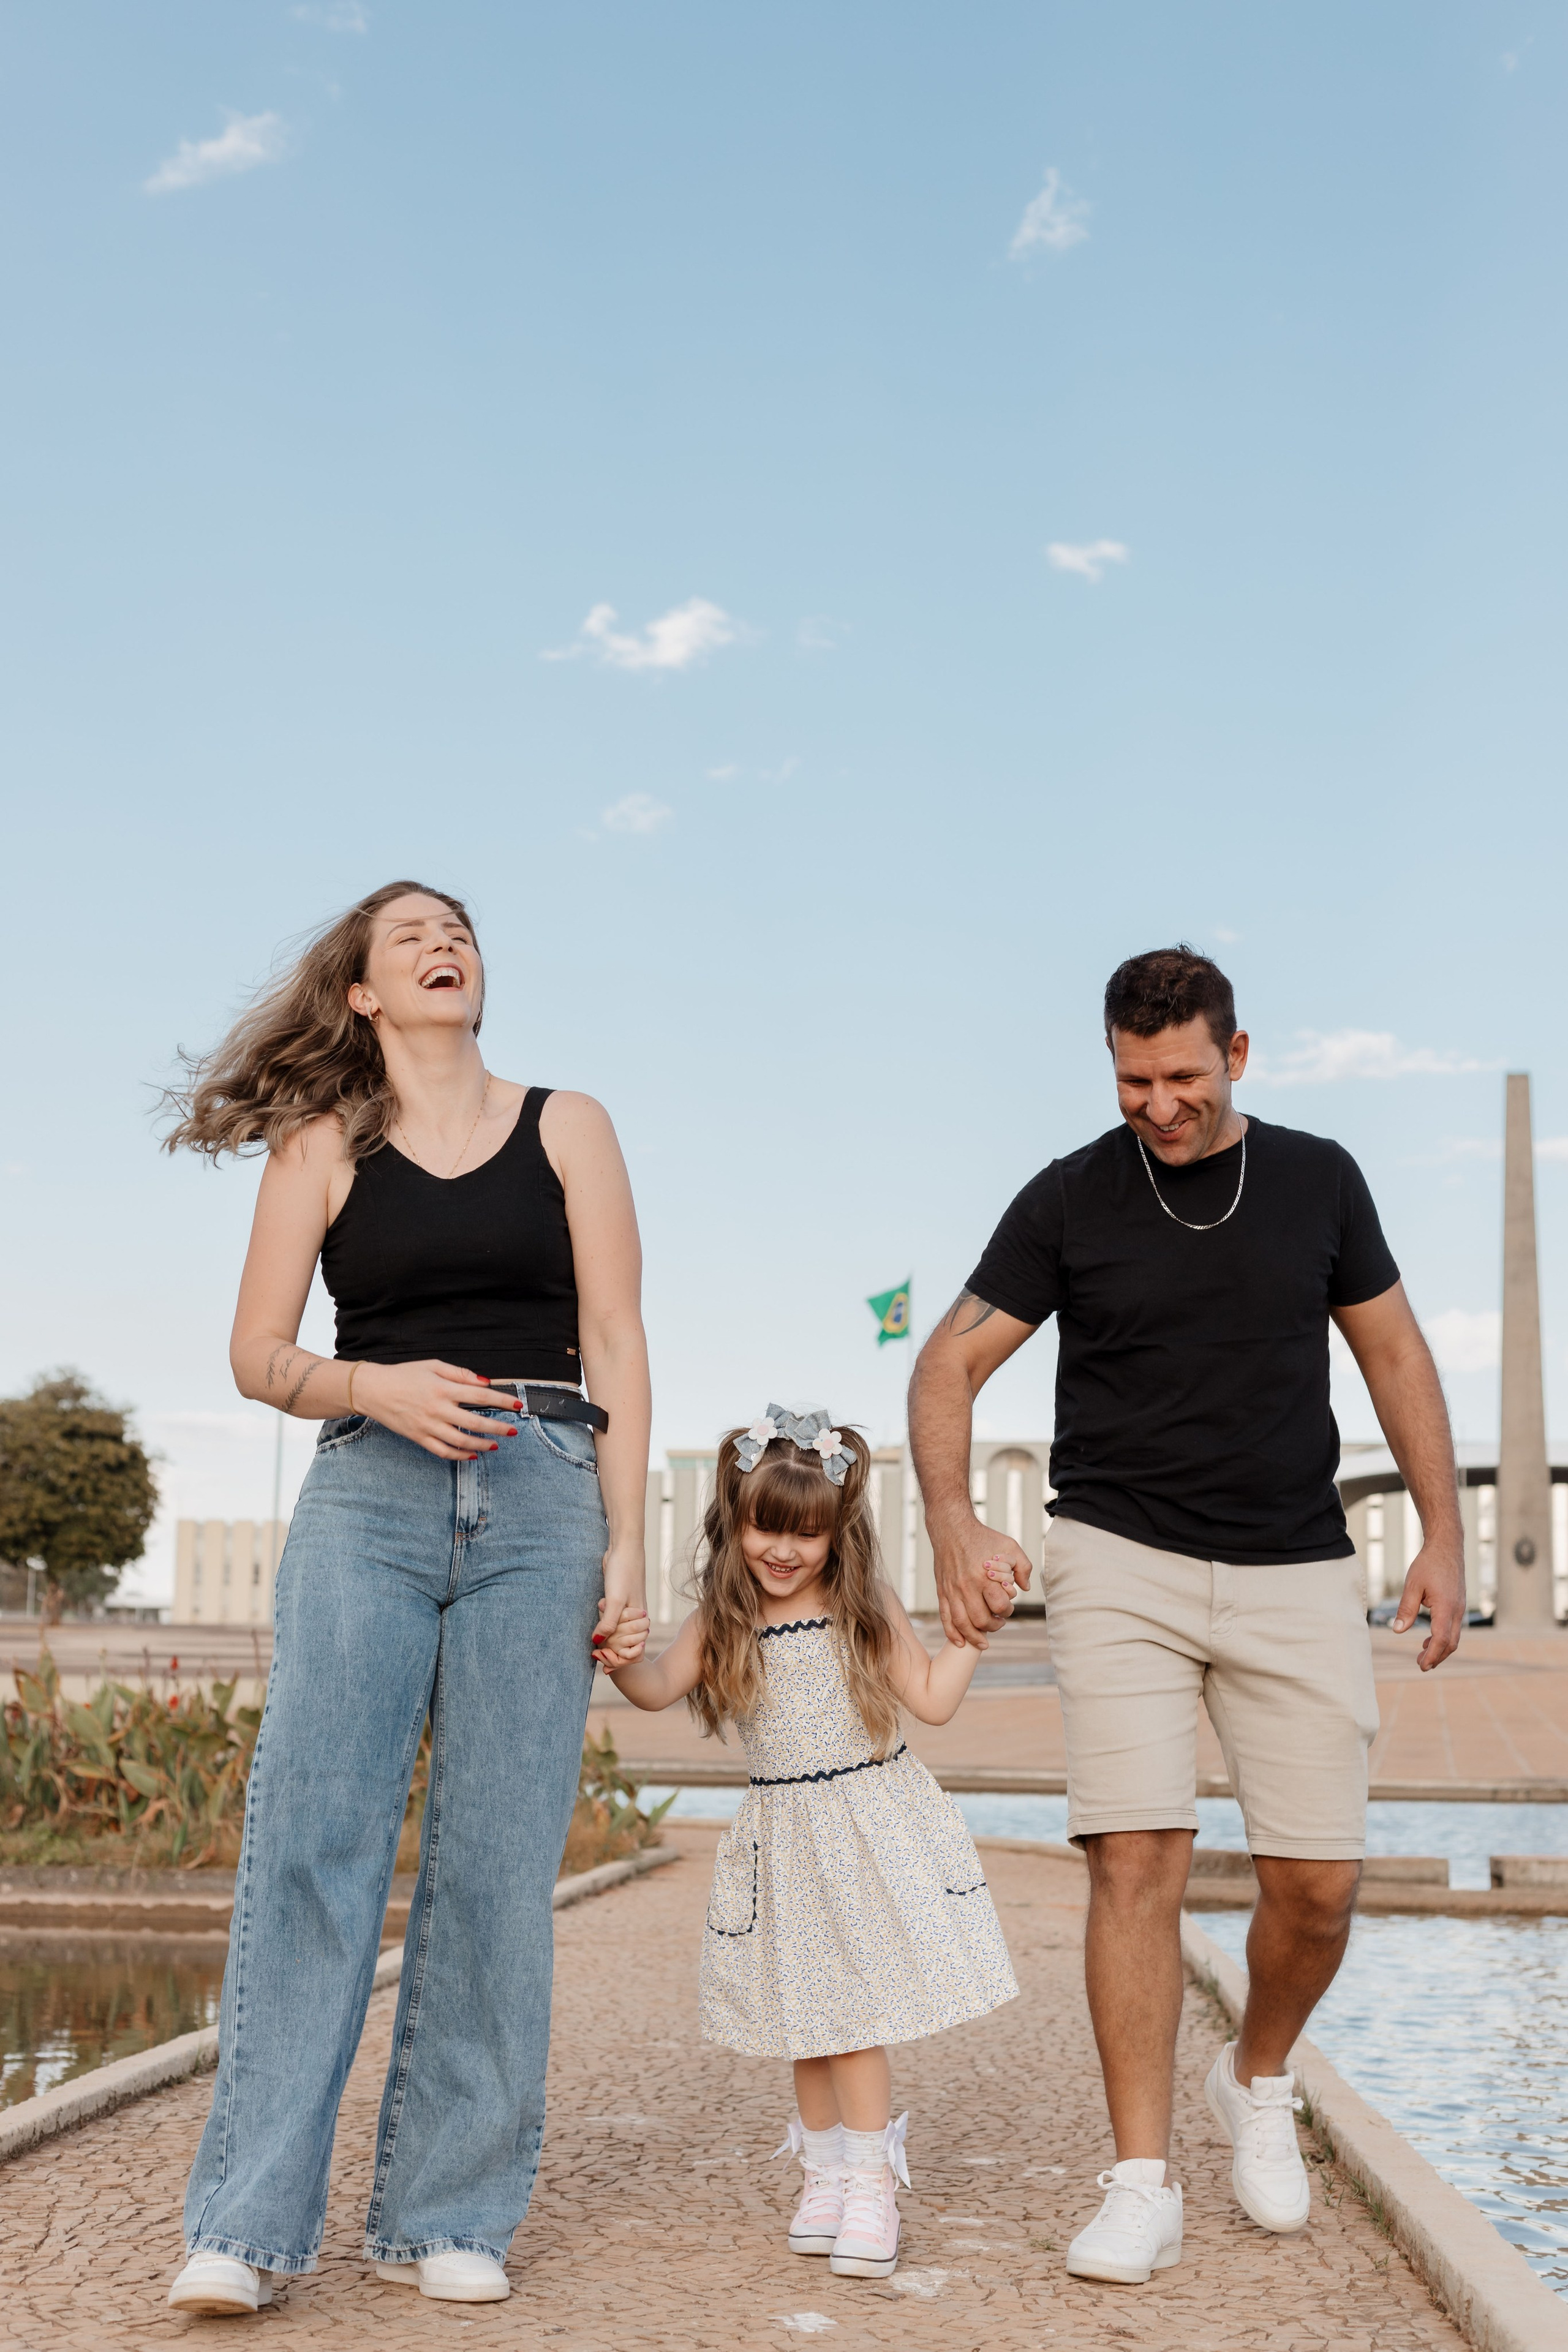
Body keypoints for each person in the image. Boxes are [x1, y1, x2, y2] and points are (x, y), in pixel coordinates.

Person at [908, 944, 1464, 2288]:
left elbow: (1392, 1353)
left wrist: (1443, 1533)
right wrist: (953, 1522)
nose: (1157, 1105)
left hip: (1291, 1562)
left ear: (1237, 1056)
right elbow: (947, 1362)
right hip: (1117, 1555)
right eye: (1130, 1080)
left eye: (1181, 1077)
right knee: (1133, 1860)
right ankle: (1139, 2181)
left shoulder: (1319, 1179)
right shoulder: (1066, 1198)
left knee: (1317, 1887)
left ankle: (1255, 2074)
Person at [158, 880, 652, 2316]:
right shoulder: (321, 1144)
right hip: (369, 1494)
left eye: (463, 931)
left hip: (545, 1486)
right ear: (363, 992)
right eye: (410, 938)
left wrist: (623, 1547)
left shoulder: (571, 1124)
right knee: (312, 1847)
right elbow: (258, 1352)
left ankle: (447, 2210)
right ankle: (244, 2233)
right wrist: (369, 1382)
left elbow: (617, 1333)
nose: (447, 945)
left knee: (497, 1867)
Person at [604, 1404, 1019, 2283]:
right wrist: (619, 1654)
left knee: (854, 2014)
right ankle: (825, 2177)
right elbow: (653, 1689)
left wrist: (974, 1630)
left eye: (808, 1534)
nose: (783, 1550)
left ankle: (873, 2183)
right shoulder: (725, 1617)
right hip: (783, 1838)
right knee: (806, 2016)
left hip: (866, 1831)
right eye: (765, 1527)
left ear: (838, 1533)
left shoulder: (863, 1606)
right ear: (734, 1519)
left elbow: (935, 1700)